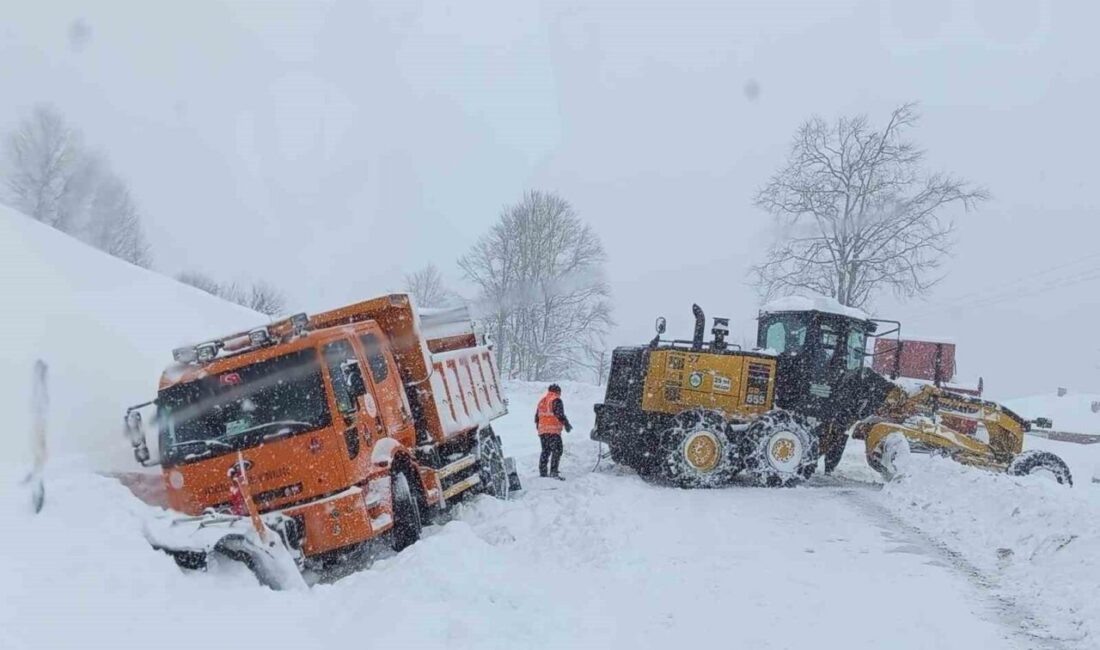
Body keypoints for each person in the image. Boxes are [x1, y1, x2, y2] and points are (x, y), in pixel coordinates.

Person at [535, 383, 572, 479]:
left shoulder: (542, 401)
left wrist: (540, 429)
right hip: (553, 431)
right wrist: (567, 424)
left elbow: (537, 417)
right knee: (557, 450)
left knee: (545, 451)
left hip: (542, 430)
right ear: (558, 391)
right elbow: (559, 414)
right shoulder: (556, 400)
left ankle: (543, 472)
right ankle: (553, 472)